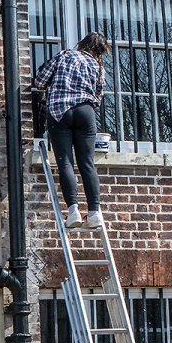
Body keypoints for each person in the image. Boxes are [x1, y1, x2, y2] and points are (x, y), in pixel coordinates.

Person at [33, 32, 110, 230]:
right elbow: (98, 96)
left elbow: (40, 81)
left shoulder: (65, 55)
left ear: (82, 44)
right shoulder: (98, 67)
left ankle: (73, 211)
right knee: (87, 163)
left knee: (65, 162)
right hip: (86, 112)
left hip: (60, 111)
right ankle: (94, 214)